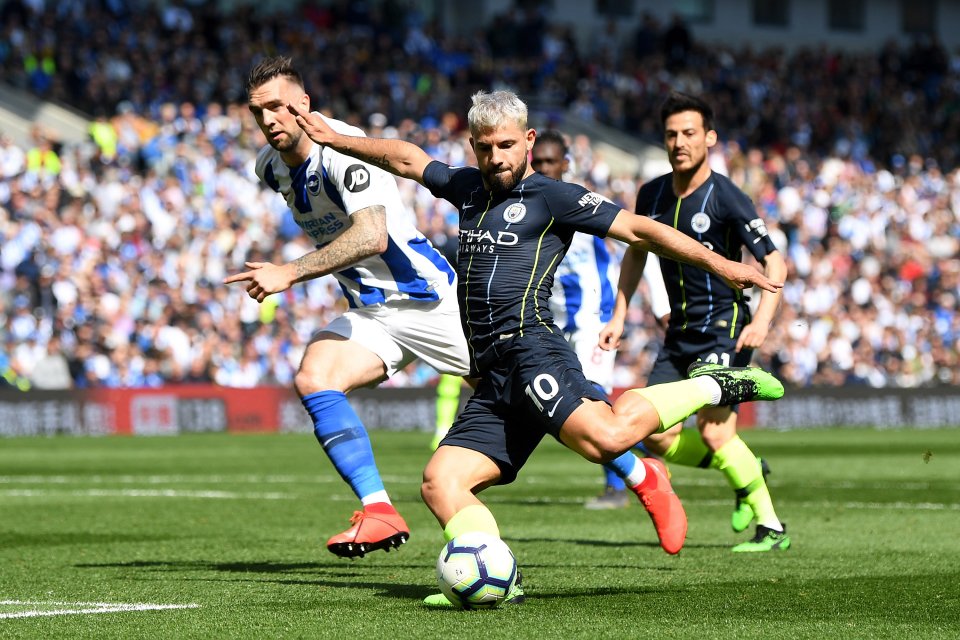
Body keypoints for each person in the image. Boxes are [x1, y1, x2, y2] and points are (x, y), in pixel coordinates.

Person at [288, 89, 785, 606]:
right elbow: (407, 159)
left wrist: (723, 265)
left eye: (506, 145)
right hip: (493, 370)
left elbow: (639, 230)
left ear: (527, 141)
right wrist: (336, 139)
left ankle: (711, 384)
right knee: (441, 482)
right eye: (484, 148)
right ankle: (494, 575)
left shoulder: (553, 197)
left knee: (609, 439)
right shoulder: (468, 188)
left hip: (533, 351)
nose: (495, 158)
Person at [225, 56, 471, 559]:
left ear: (303, 105)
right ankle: (379, 510)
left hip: (431, 302)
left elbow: (373, 235)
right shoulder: (269, 168)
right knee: (314, 376)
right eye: (258, 112)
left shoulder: (341, 147)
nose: (269, 120)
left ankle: (638, 472)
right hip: (374, 313)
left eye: (277, 107)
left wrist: (288, 272)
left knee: (540, 404)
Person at [600, 91, 791, 552]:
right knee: (658, 439)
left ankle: (771, 526)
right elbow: (635, 254)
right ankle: (744, 468)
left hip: (725, 327)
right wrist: (620, 315)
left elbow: (775, 261)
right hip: (678, 334)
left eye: (689, 133)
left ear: (709, 137)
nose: (679, 142)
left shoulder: (725, 195)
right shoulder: (652, 194)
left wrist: (762, 321)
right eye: (671, 134)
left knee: (714, 430)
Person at [531, 129, 672, 511]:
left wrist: (660, 308)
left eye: (550, 162)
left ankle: (617, 486)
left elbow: (641, 245)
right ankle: (657, 453)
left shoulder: (581, 205)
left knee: (590, 401)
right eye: (537, 162)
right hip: (555, 326)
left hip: (595, 322)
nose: (543, 168)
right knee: (567, 414)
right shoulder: (527, 207)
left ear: (566, 164)